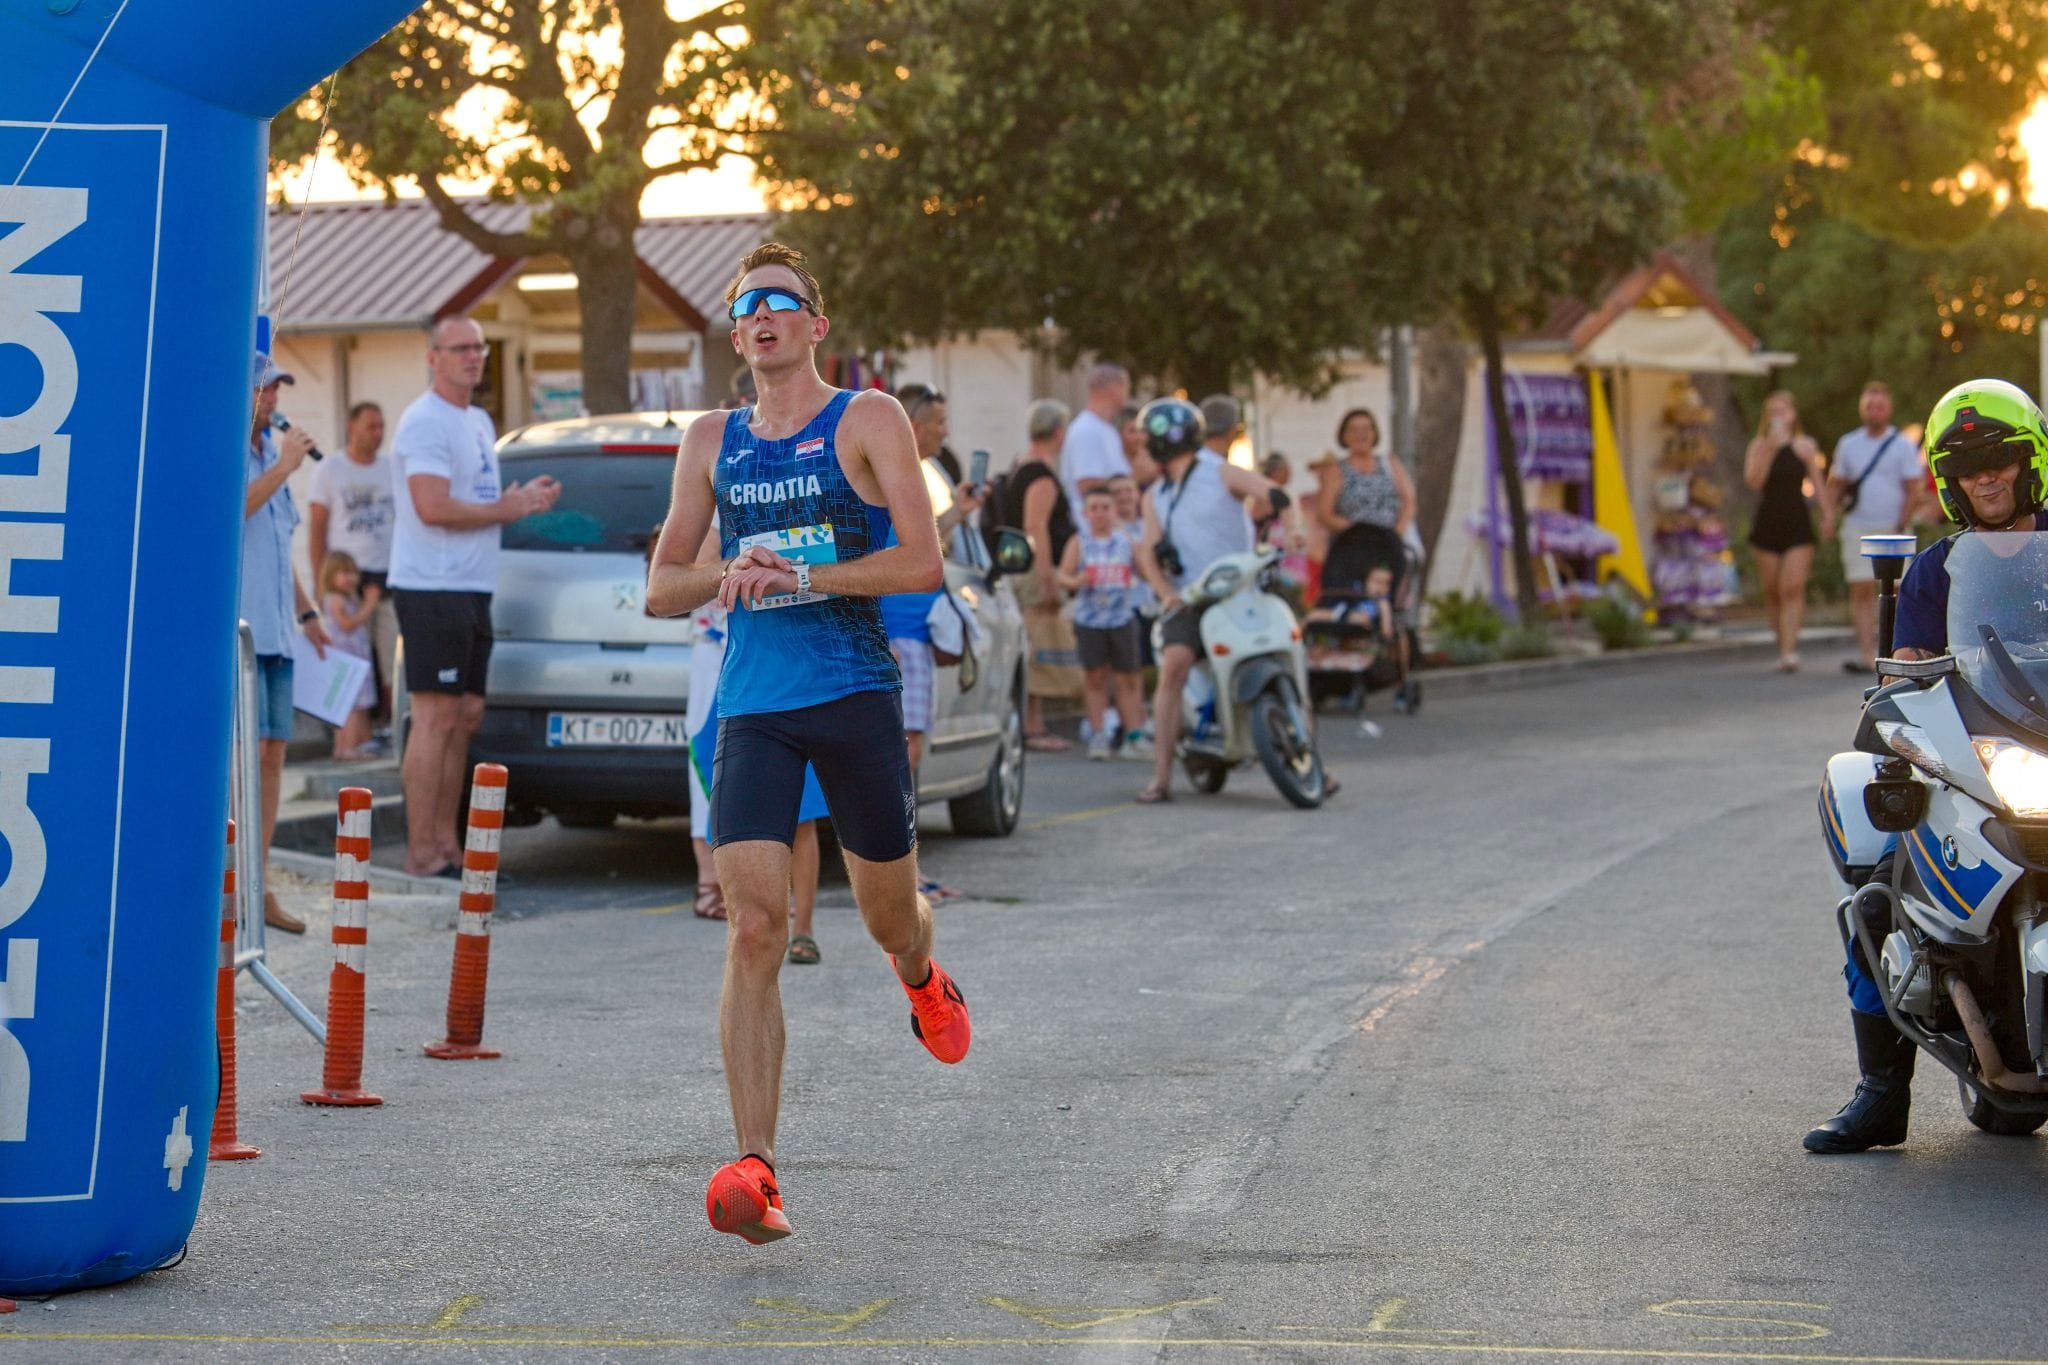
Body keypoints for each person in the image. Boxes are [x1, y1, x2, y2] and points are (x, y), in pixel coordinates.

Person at [645, 242, 968, 1246]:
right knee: (756, 926)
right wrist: (730, 572)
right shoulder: (710, 439)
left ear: (815, 326)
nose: (766, 317)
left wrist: (804, 576)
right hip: (755, 703)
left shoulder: (864, 419)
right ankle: (757, 1168)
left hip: (854, 691)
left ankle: (921, 972)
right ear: (735, 335)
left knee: (880, 916)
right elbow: (662, 586)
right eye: (748, 308)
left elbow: (920, 560)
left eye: (784, 303)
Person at [1806, 377, 2048, 1155]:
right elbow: (1906, 674)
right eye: (1969, 463)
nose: (1987, 475)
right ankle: (1882, 1094)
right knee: (1881, 895)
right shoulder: (1935, 573)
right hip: (1983, 758)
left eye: (2000, 457)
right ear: (1949, 480)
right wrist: (1904, 681)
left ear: (2029, 462)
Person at [388, 316, 561, 878]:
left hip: (472, 583)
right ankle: (420, 852)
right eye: (459, 348)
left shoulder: (479, 420)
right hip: (432, 584)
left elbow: (478, 499)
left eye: (478, 347)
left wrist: (522, 500)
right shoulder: (423, 422)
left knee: (465, 715)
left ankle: (448, 846)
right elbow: (432, 506)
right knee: (434, 718)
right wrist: (502, 511)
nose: (472, 356)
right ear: (433, 357)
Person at [1132, 396, 1299, 804]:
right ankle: (1161, 777)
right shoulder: (1155, 496)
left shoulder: (1220, 472)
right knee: (1174, 666)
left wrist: (1290, 530)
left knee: (1286, 656)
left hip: (1239, 588)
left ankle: (1312, 761)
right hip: (1192, 597)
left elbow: (1274, 494)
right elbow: (1148, 552)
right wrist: (1166, 594)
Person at [242, 352, 332, 934]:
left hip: (278, 629)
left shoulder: (271, 459)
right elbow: (231, 513)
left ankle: (260, 881)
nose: (273, 400)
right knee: (240, 760)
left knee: (274, 754)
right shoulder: (234, 456)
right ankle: (232, 882)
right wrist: (285, 466)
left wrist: (308, 610)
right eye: (264, 390)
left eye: (277, 390)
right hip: (242, 633)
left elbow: (280, 543)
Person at [306, 401, 397, 723]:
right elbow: (317, 531)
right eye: (370, 426)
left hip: (386, 576)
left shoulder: (390, 468)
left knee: (391, 657)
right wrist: (320, 585)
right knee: (350, 655)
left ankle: (391, 721)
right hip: (346, 578)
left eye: (381, 426)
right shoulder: (331, 470)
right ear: (351, 427)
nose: (378, 433)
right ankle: (348, 730)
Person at [1828, 381, 1926, 673]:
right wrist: (1829, 516)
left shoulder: (1901, 445)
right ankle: (1867, 652)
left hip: (1892, 527)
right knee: (1860, 588)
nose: (1874, 411)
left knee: (1896, 588)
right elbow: (1838, 483)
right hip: (1858, 524)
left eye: (1879, 406)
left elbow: (1913, 487)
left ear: (1888, 409)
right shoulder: (1848, 444)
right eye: (1869, 405)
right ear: (1862, 409)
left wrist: (1900, 523)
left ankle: (1896, 651)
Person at [1004, 399, 1081, 751]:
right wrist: (1049, 579)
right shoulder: (1041, 474)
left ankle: (1032, 723)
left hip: (1020, 567)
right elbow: (1037, 527)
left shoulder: (1021, 464)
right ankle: (1033, 726)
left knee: (1033, 644)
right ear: (1059, 432)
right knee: (1036, 645)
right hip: (1035, 570)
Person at [1058, 486, 1149, 761]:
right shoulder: (1080, 541)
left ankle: (1134, 734)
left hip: (1121, 617)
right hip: (1090, 620)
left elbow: (1145, 570)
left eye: (1105, 507)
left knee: (1128, 678)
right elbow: (1063, 574)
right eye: (1094, 508)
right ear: (1086, 513)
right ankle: (1099, 733)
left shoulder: (1126, 541)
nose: (1100, 513)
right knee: (1095, 677)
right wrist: (1077, 581)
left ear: (1114, 511)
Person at [1743, 390, 1830, 673]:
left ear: (1793, 415)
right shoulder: (1759, 445)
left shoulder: (1804, 446)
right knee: (1772, 590)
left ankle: (1790, 650)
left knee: (1791, 587)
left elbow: (1817, 483)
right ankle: (1782, 643)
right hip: (1768, 520)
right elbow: (1754, 482)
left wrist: (1827, 514)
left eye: (1783, 411)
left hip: (1796, 520)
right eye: (1772, 412)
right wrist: (1770, 447)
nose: (1778, 417)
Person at [318, 551, 380, 760]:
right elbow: (346, 625)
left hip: (356, 660)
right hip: (346, 661)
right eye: (344, 573)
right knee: (349, 705)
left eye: (353, 573)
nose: (351, 578)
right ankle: (345, 747)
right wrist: (369, 606)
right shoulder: (334, 599)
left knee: (360, 704)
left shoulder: (348, 598)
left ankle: (360, 743)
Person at [1060, 362, 1133, 524]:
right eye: (1126, 386)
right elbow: (1088, 484)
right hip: (1094, 535)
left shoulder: (1105, 428)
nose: (1127, 394)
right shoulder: (1087, 430)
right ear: (1115, 388)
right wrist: (1135, 480)